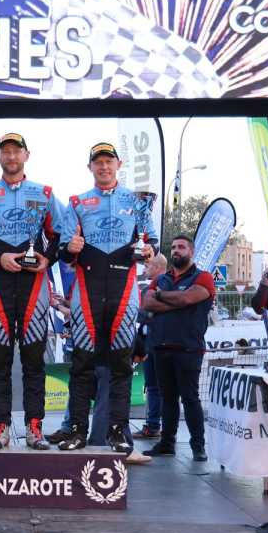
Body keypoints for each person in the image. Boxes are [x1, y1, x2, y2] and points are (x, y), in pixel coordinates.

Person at [51, 142, 157, 459]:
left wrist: (149, 249)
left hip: (124, 290)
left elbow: (151, 242)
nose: (104, 167)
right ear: (90, 167)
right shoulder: (77, 202)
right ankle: (76, 429)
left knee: (121, 365)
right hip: (88, 289)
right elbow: (63, 252)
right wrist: (70, 248)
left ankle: (118, 431)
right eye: (98, 162)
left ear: (118, 164)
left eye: (109, 161)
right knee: (82, 363)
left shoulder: (137, 201)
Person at [0, 133, 62, 449]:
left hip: (34, 285)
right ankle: (1, 427)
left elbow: (61, 235)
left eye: (16, 151)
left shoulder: (45, 193)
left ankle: (34, 428)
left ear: (26, 155)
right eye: (5, 151)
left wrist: (47, 258)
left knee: (34, 361)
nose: (11, 156)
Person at [142, 235, 216, 461]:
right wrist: (177, 300)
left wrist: (162, 297)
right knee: (168, 398)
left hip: (188, 348)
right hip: (161, 347)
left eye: (181, 247)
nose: (176, 250)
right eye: (173, 247)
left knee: (190, 398)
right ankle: (167, 444)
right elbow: (147, 303)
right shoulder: (161, 278)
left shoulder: (203, 277)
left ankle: (198, 447)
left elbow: (187, 299)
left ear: (191, 251)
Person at [133, 253, 168, 440]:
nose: (145, 269)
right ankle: (154, 425)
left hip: (158, 343)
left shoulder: (163, 285)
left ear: (157, 267)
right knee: (154, 386)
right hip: (151, 342)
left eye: (147, 266)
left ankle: (156, 425)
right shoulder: (152, 287)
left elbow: (145, 313)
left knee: (158, 387)